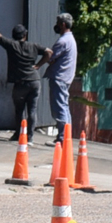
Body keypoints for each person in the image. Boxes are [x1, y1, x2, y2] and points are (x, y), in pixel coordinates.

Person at [0, 11, 46, 134]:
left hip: (20, 83)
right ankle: (29, 138)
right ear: (25, 35)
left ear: (13, 35)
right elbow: (49, 52)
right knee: (32, 110)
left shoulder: (11, 45)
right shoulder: (34, 46)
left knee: (19, 110)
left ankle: (19, 135)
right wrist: (39, 65)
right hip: (35, 81)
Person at [46, 11, 79, 140]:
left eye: (58, 24)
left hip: (59, 77)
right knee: (64, 106)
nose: (56, 26)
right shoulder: (71, 39)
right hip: (65, 77)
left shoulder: (63, 41)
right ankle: (66, 135)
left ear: (63, 24)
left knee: (59, 107)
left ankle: (62, 137)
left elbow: (51, 57)